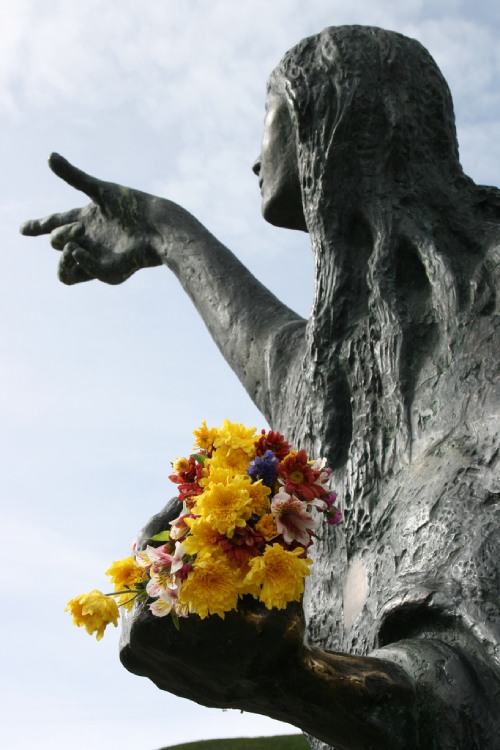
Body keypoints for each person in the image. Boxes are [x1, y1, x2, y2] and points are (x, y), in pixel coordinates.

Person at [21, 25, 499, 750]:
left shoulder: (485, 295)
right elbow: (276, 350)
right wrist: (161, 230)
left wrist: (283, 678)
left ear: (334, 124)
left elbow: (466, 683)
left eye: (271, 119)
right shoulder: (343, 373)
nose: (254, 157)